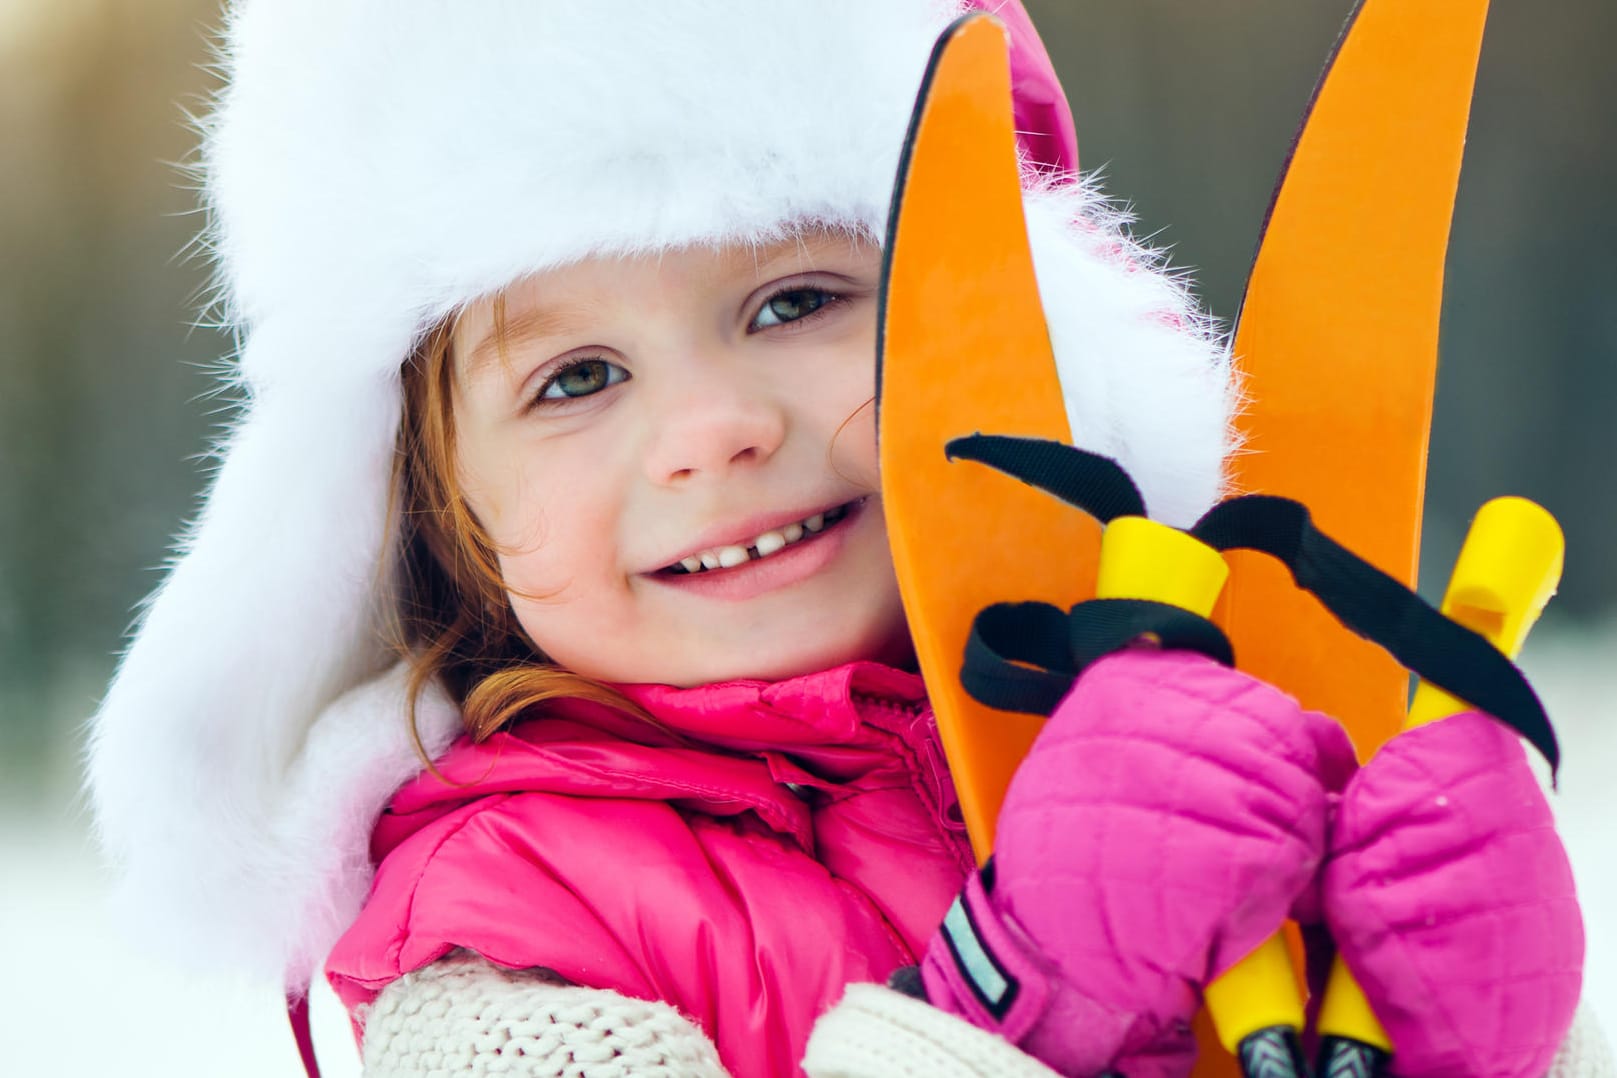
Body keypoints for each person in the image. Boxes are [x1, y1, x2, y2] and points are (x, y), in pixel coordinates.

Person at [87, 2, 1603, 1076]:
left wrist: (1467, 1033)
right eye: (578, 377)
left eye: (794, 300)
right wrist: (1022, 984)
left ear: (1000, 340)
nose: (713, 429)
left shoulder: (1216, 744)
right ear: (433, 518)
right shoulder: (492, 939)